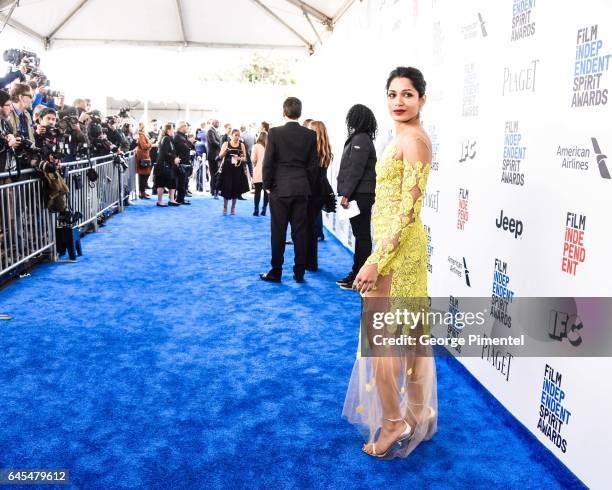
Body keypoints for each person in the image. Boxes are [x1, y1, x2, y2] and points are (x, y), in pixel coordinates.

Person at [342, 67, 437, 459]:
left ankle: (395, 422)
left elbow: (408, 212)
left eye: (408, 94)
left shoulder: (415, 140)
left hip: (396, 253)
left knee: (380, 342)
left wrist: (374, 262)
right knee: (406, 338)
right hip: (392, 247)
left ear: (422, 100)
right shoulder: (399, 135)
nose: (399, 101)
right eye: (393, 94)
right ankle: (416, 413)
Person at [259, 97, 318, 284]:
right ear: (299, 113)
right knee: (300, 233)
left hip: (279, 189)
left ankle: (276, 271)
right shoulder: (310, 135)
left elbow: (268, 163)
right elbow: (313, 166)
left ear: (284, 112)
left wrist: (267, 186)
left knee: (278, 231)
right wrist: (306, 185)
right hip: (301, 189)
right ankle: (299, 272)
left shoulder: (274, 133)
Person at [335, 104, 378, 290]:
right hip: (359, 193)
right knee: (360, 235)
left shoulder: (361, 138)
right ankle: (357, 274)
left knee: (362, 236)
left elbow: (356, 169)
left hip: (360, 194)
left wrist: (346, 193)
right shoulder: (361, 138)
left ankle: (359, 277)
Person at [305, 120, 333, 272]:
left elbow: (310, 175)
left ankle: (310, 263)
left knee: (308, 229)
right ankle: (311, 262)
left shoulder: (312, 150)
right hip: (320, 192)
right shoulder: (325, 149)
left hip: (311, 192)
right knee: (311, 229)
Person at [218, 129, 248, 215]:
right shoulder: (226, 144)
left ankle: (233, 208)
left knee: (236, 188)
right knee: (226, 188)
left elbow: (244, 158)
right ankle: (225, 208)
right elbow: (220, 156)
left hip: (237, 169)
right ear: (231, 135)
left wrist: (240, 158)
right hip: (227, 169)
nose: (237, 137)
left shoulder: (241, 145)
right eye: (235, 135)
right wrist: (225, 151)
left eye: (238, 135)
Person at [154, 123, 180, 207]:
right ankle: (160, 201)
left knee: (172, 182)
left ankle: (172, 200)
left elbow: (170, 151)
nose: (174, 131)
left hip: (168, 164)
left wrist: (175, 158)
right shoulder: (165, 139)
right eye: (173, 129)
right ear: (168, 130)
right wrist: (174, 158)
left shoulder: (169, 139)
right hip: (163, 165)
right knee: (161, 183)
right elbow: (165, 152)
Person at [173, 121, 193, 205]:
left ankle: (181, 198)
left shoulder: (182, 136)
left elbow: (189, 147)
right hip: (181, 162)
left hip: (185, 162)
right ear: (182, 127)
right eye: (186, 127)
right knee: (181, 182)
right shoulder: (177, 137)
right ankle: (179, 199)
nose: (187, 129)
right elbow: (182, 148)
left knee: (184, 181)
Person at [251, 131, 268, 216]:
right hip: (267, 173)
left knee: (257, 192)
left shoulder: (256, 146)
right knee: (266, 192)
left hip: (258, 172)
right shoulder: (269, 147)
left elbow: (253, 159)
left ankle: (256, 209)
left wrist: (255, 165)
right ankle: (264, 209)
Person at [135, 122, 153, 199]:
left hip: (144, 156)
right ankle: (142, 192)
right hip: (143, 157)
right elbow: (144, 146)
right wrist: (150, 143)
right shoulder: (141, 135)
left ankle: (142, 191)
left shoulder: (142, 134)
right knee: (143, 175)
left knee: (144, 175)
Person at [207, 119, 222, 198]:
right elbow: (213, 141)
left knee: (215, 174)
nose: (218, 123)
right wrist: (221, 145)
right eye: (217, 122)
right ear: (213, 123)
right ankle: (213, 191)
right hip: (212, 156)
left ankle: (214, 190)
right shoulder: (210, 130)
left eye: (218, 122)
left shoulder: (216, 131)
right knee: (213, 174)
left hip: (216, 155)